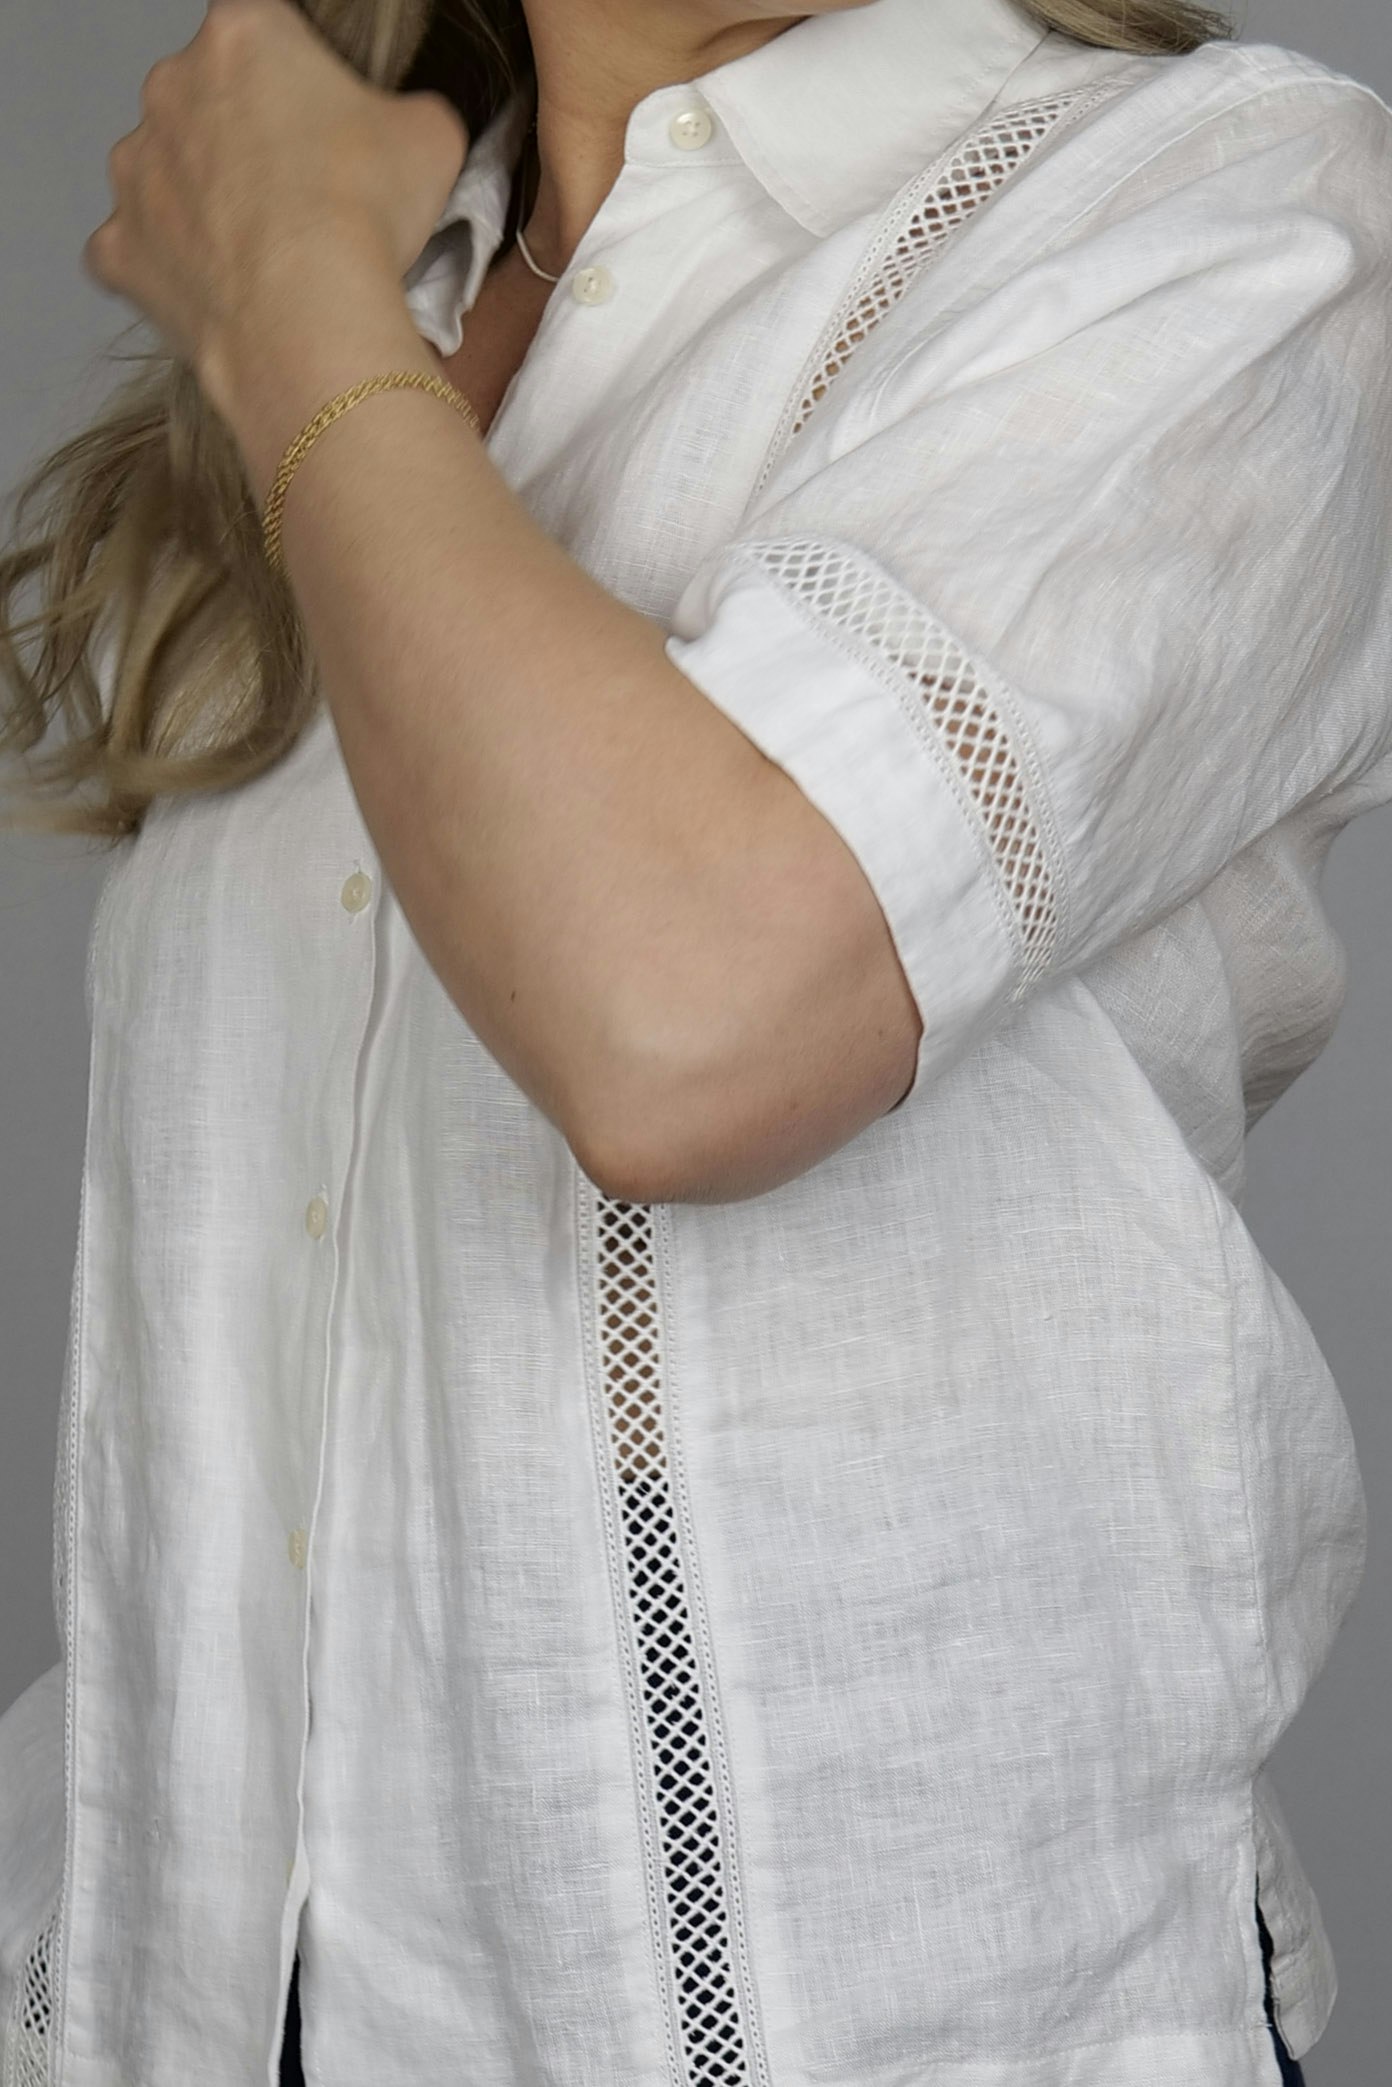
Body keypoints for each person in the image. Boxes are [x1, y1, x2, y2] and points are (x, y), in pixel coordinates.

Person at [0, 0, 1388, 2079]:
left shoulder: (1221, 205)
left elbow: (686, 1011)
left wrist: (285, 306)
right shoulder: (404, 265)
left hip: (900, 2023)